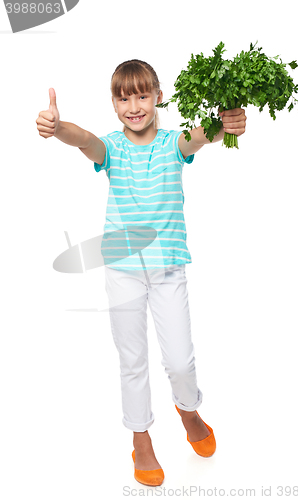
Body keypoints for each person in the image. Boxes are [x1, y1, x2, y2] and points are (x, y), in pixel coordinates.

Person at [36, 59, 247, 486]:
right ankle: (141, 439)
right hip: (123, 271)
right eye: (124, 97)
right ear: (115, 105)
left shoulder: (173, 142)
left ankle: (188, 411)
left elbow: (202, 136)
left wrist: (227, 122)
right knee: (132, 360)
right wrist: (59, 128)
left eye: (142, 95)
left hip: (168, 268)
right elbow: (85, 140)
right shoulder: (111, 147)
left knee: (180, 361)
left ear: (158, 97)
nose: (134, 105)